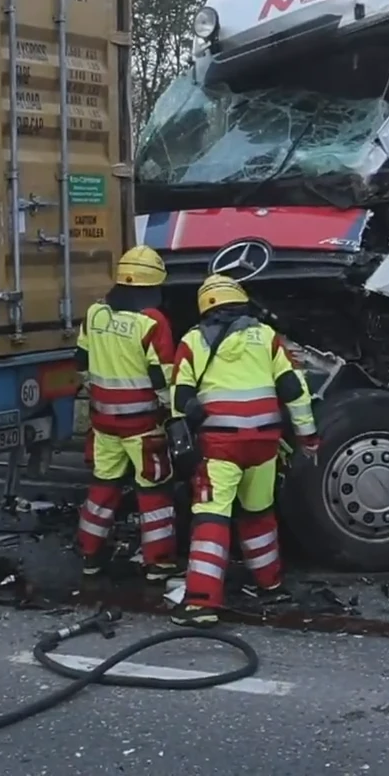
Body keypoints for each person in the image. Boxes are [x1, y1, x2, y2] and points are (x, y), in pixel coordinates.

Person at [169, 273, 319, 626]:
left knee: (212, 517)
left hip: (220, 446)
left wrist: (182, 439)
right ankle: (269, 584)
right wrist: (308, 437)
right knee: (258, 513)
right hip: (264, 444)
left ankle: (202, 603)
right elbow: (294, 391)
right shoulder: (267, 338)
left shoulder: (193, 341)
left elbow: (180, 399)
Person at [73, 246, 181, 582]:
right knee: (154, 493)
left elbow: (81, 362)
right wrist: (175, 414)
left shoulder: (95, 314)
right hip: (144, 427)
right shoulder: (152, 321)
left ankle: (89, 555)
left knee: (102, 488)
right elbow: (162, 376)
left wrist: (98, 396)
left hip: (104, 423)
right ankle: (158, 563)